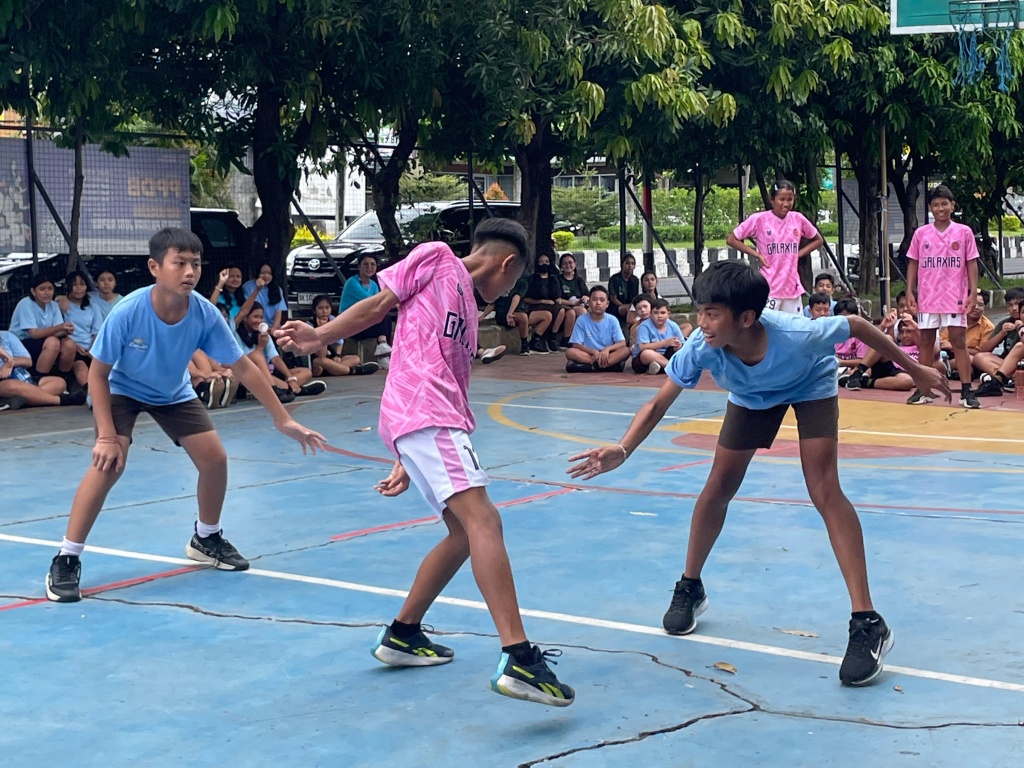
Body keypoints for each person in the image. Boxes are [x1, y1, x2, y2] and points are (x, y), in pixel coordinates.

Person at [567, 260, 949, 687]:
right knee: (718, 487)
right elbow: (658, 403)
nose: (702, 322)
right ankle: (690, 587)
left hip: (809, 384)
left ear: (746, 318)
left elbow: (857, 324)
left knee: (824, 489)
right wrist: (623, 448)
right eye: (700, 311)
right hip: (751, 395)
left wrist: (915, 370)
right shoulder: (701, 345)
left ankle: (867, 620)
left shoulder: (798, 334)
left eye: (712, 313)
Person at [275, 218, 574, 707]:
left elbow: (448, 376)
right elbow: (378, 304)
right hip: (425, 416)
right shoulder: (438, 258)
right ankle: (519, 658)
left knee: (463, 533)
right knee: (485, 522)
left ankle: (402, 634)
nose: (506, 291)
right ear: (508, 264)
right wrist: (319, 337)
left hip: (429, 423)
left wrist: (406, 455)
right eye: (512, 283)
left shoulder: (469, 314)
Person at [44, 228, 326, 604]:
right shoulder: (129, 310)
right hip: (121, 388)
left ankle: (206, 537)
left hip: (172, 392)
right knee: (110, 463)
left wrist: (282, 417)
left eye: (195, 264)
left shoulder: (204, 314)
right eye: (180, 263)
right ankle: (67, 557)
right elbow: (97, 372)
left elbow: (242, 366)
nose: (190, 271)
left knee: (215, 459)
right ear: (155, 267)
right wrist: (107, 436)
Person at [904, 185, 980, 408]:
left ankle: (967, 391)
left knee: (958, 341)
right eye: (936, 204)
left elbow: (971, 262)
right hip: (928, 296)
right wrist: (910, 291)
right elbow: (913, 263)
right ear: (930, 207)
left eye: (944, 204)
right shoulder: (921, 234)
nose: (940, 208)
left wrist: (973, 292)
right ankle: (923, 388)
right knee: (926, 341)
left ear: (952, 205)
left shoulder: (963, 232)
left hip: (954, 295)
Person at [727, 180, 823, 314]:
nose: (786, 203)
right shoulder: (759, 219)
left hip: (791, 287)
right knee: (766, 328)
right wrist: (757, 254)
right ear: (772, 200)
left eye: (790, 199)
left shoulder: (798, 219)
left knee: (794, 329)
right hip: (769, 287)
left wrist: (798, 254)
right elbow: (732, 239)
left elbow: (818, 239)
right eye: (781, 199)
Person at [237, 303, 327, 401]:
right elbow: (246, 361)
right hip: (250, 374)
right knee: (257, 356)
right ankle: (292, 390)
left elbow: (275, 358)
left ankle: (287, 389)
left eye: (261, 317)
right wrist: (260, 346)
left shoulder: (263, 334)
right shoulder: (236, 335)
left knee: (306, 372)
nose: (259, 321)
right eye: (255, 317)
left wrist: (290, 379)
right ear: (245, 318)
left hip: (270, 373)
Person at [8, 274, 77, 378]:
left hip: (42, 341)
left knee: (69, 344)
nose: (47, 293)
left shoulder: (53, 305)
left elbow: (57, 330)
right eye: (42, 289)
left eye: (50, 289)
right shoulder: (26, 303)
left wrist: (65, 331)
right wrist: (59, 328)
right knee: (53, 342)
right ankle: (39, 378)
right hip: (20, 344)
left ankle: (64, 378)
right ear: (33, 291)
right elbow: (34, 334)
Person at [0, 329, 85, 410]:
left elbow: (28, 361)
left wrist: (10, 363)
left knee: (59, 383)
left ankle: (21, 400)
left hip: (25, 378)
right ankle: (61, 400)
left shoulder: (7, 336)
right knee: (12, 385)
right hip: (4, 382)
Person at [307, 294, 380, 377]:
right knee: (322, 362)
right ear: (314, 310)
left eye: (327, 308)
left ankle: (334, 370)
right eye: (320, 308)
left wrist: (337, 355)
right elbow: (321, 355)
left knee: (355, 358)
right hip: (318, 360)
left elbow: (340, 341)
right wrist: (322, 329)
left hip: (332, 358)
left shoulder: (333, 321)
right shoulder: (310, 326)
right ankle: (353, 370)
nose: (324, 311)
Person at [564, 285, 632, 373]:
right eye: (594, 299)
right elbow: (576, 345)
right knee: (570, 352)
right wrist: (593, 352)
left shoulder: (612, 320)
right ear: (588, 302)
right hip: (589, 354)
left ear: (607, 304)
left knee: (626, 351)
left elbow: (622, 343)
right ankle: (609, 366)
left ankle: (592, 366)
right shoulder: (581, 320)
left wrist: (607, 349)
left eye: (602, 300)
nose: (598, 303)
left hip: (608, 354)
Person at [340, 253, 392, 357]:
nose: (369, 267)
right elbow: (372, 302)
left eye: (373, 264)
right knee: (384, 316)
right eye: (365, 264)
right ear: (359, 267)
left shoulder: (373, 284)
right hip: (350, 324)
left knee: (386, 317)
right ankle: (382, 344)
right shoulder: (352, 283)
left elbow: (379, 304)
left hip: (364, 321)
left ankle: (383, 349)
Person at [936, 289, 993, 380]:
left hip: (973, 361)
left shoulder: (988, 327)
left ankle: (952, 372)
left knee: (971, 361)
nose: (976, 307)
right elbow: (942, 341)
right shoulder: (955, 319)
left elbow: (982, 352)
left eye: (980, 305)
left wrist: (953, 347)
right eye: (973, 303)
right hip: (950, 357)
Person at [63, 270, 102, 391]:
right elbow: (59, 330)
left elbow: (97, 332)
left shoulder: (93, 306)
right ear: (68, 286)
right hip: (71, 348)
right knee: (79, 365)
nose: (79, 288)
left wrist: (91, 351)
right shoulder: (62, 305)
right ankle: (91, 392)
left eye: (82, 284)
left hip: (90, 348)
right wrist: (75, 345)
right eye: (75, 284)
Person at [523, 251, 566, 353]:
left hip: (551, 306)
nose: (544, 264)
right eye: (541, 262)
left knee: (562, 310)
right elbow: (526, 299)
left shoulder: (553, 279)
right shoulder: (532, 279)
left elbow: (557, 297)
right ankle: (535, 341)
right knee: (548, 315)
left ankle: (553, 337)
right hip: (535, 306)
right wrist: (542, 301)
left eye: (546, 262)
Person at [632, 298, 686, 375]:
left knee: (682, 351)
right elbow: (642, 347)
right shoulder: (644, 326)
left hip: (666, 355)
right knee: (646, 353)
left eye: (663, 313)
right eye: (656, 313)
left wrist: (679, 345)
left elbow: (683, 344)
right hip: (643, 359)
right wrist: (665, 343)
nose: (659, 316)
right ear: (650, 314)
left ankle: (658, 367)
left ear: (668, 314)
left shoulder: (673, 325)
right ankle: (671, 368)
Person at [242, 262, 290, 332]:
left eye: (269, 273)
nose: (266, 276)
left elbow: (278, 312)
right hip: (254, 327)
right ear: (257, 273)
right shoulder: (248, 287)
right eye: (263, 272)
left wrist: (274, 328)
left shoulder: (277, 289)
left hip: (271, 328)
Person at [555, 252, 588, 347]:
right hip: (564, 306)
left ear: (575, 264)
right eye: (565, 263)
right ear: (560, 266)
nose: (568, 265)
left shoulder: (579, 280)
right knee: (580, 312)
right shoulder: (557, 280)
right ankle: (567, 339)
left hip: (579, 305)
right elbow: (557, 299)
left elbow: (587, 294)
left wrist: (585, 298)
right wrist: (572, 302)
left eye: (570, 262)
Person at [608, 254, 639, 321]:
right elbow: (613, 298)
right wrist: (624, 306)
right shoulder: (615, 279)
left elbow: (635, 297)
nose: (630, 266)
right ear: (622, 265)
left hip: (630, 305)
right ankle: (629, 325)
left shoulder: (635, 279)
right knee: (629, 308)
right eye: (627, 263)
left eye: (632, 264)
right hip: (616, 307)